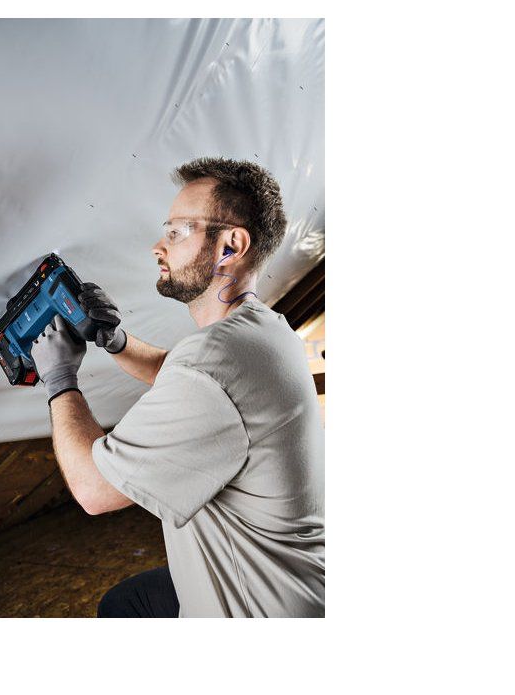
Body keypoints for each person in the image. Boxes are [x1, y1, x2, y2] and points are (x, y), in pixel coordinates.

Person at [30, 157, 324, 618]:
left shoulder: (212, 362)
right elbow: (191, 377)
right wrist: (114, 340)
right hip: (300, 586)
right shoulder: (264, 330)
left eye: (176, 232)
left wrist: (59, 379)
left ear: (230, 245)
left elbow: (93, 490)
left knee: (126, 609)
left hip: (258, 610)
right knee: (127, 601)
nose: (158, 247)